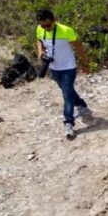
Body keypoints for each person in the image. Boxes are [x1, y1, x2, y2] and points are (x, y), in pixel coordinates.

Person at [35, 8, 91, 141]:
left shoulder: (66, 30)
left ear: (54, 20)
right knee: (67, 90)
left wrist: (85, 64)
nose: (45, 28)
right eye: (43, 25)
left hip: (68, 67)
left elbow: (79, 48)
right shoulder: (40, 29)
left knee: (66, 93)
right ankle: (81, 103)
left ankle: (69, 123)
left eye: (48, 25)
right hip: (54, 68)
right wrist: (40, 52)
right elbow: (39, 40)